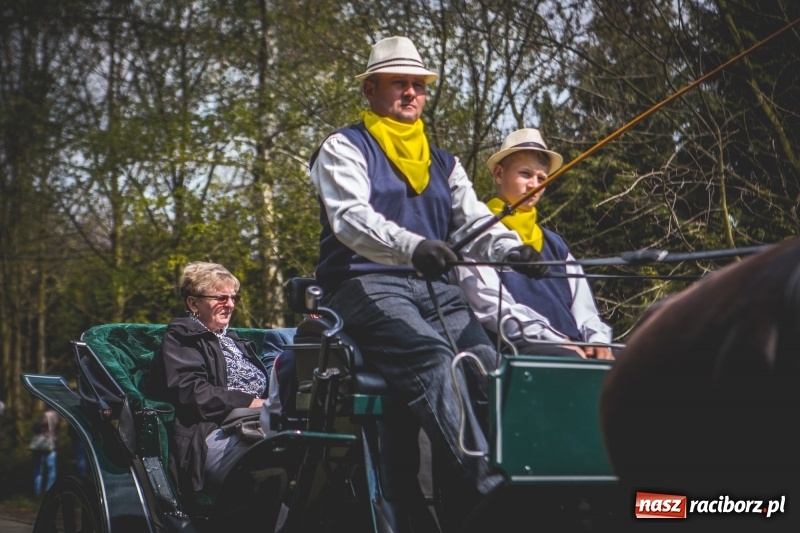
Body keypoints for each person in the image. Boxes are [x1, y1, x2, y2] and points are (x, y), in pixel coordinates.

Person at [307, 35, 545, 513]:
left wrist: (513, 250)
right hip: (361, 285)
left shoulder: (445, 162)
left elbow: (476, 223)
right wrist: (414, 248)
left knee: (490, 365)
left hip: (435, 290)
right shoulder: (343, 147)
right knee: (435, 358)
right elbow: (351, 219)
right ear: (371, 91)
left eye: (418, 84)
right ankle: (495, 495)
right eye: (400, 84)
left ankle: (510, 490)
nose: (411, 93)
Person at [456, 128, 615, 360]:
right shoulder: (477, 235)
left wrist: (597, 341)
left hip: (574, 347)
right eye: (525, 174)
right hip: (519, 348)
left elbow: (585, 310)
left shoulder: (555, 244)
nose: (534, 185)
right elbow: (492, 309)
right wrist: (559, 342)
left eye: (542, 178)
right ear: (499, 174)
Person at [146, 261, 270, 496]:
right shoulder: (181, 339)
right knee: (281, 452)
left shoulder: (234, 342)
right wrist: (249, 402)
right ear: (193, 303)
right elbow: (191, 390)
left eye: (234, 298)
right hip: (209, 436)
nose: (230, 304)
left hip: (256, 423)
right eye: (221, 298)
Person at [31, 407, 60, 496]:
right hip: (52, 443)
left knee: (38, 469)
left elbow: (37, 426)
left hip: (42, 443)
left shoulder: (46, 415)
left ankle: (37, 491)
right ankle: (50, 492)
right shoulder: (58, 415)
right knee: (52, 469)